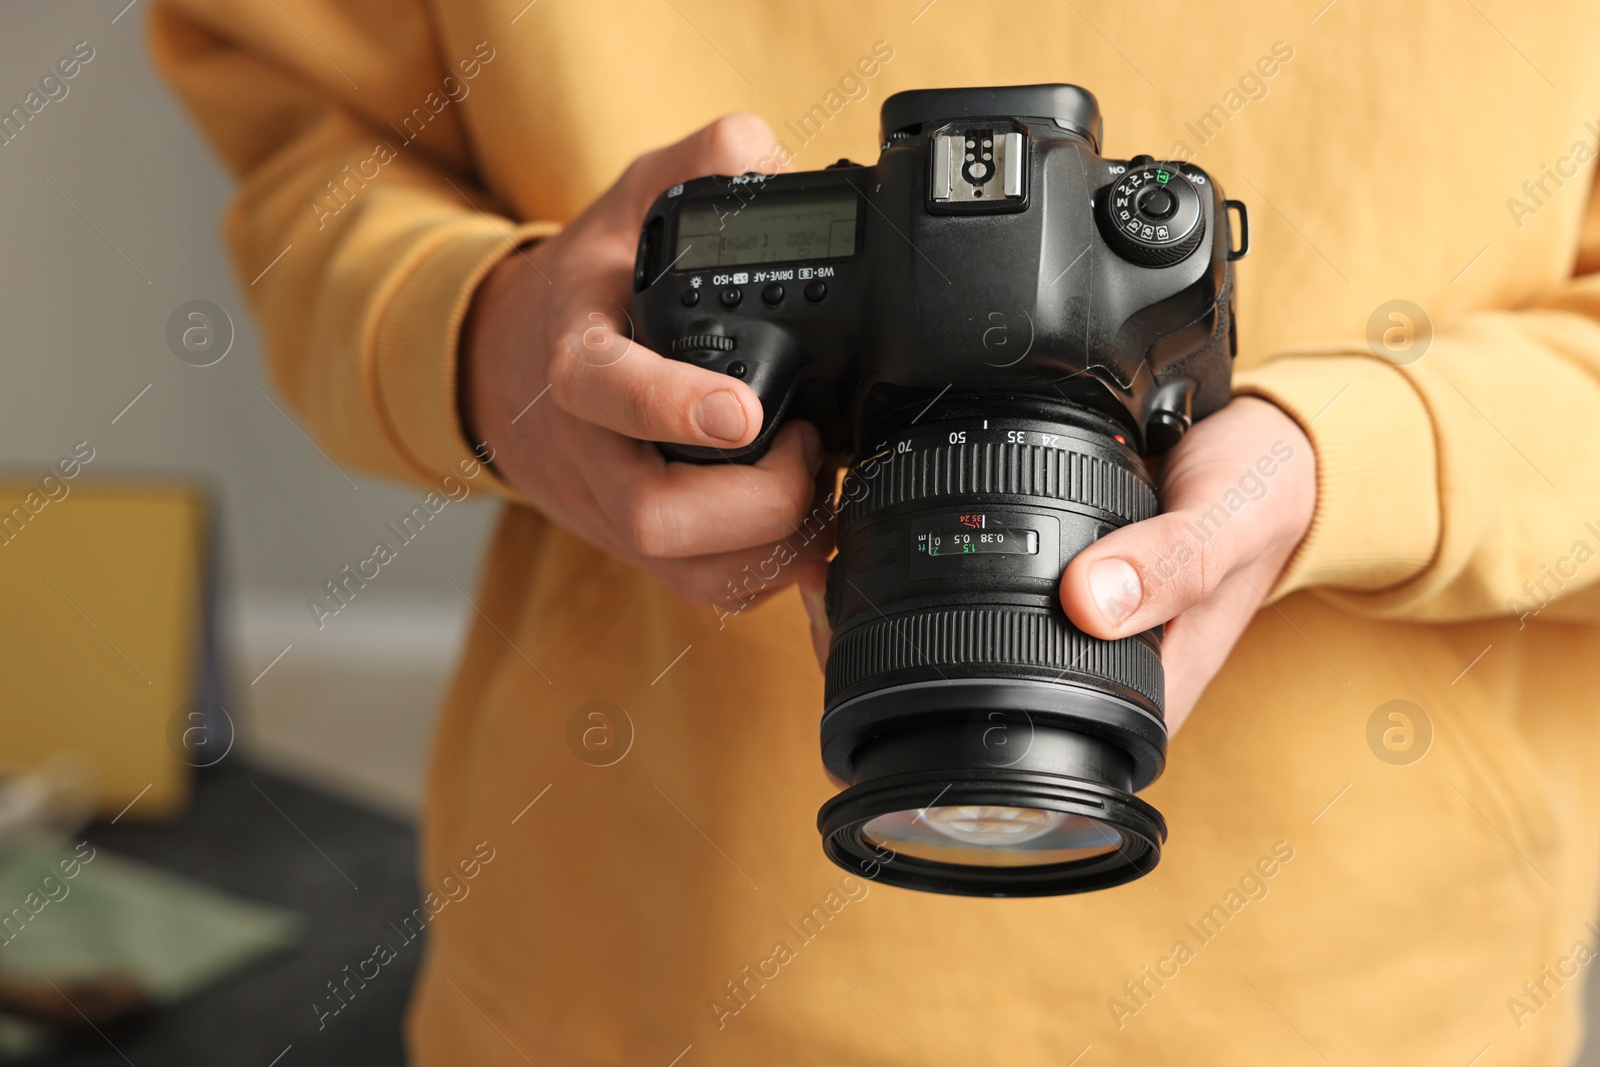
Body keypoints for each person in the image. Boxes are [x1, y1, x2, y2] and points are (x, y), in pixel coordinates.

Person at [150, 3, 1600, 1063]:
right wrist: (495, 335)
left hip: (1364, 1012)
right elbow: (313, 166)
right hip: (637, 992)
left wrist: (1352, 462)